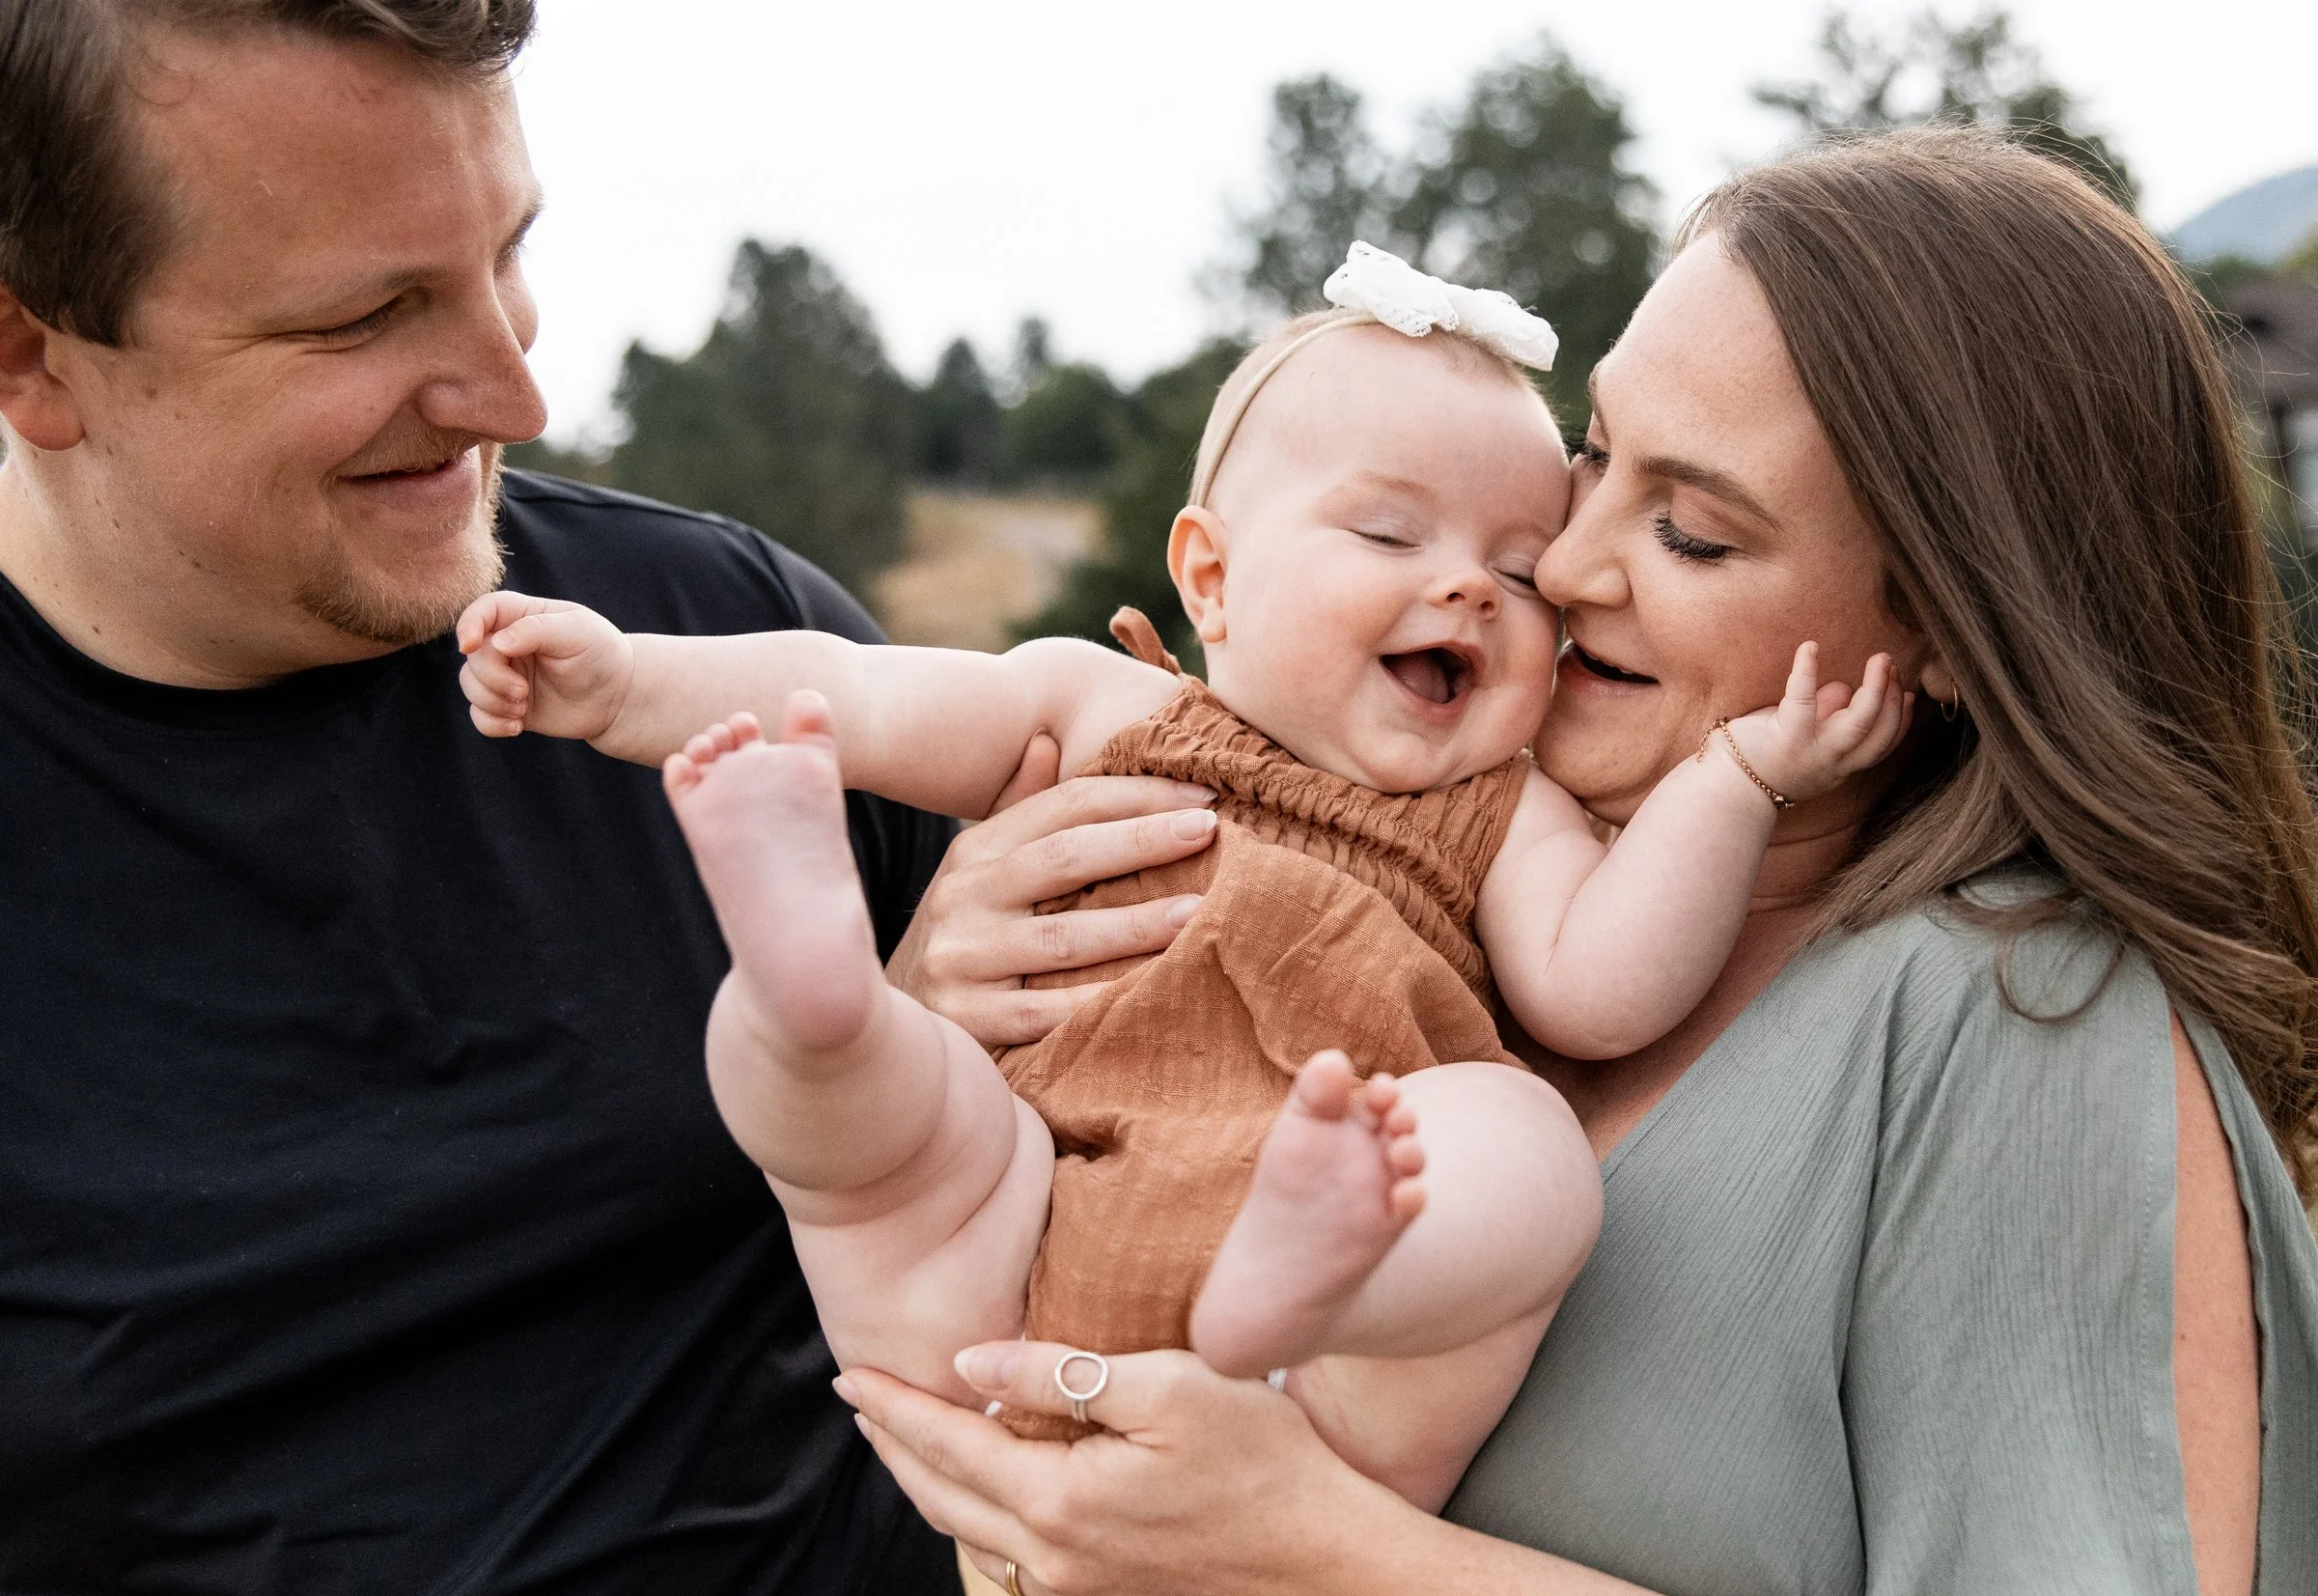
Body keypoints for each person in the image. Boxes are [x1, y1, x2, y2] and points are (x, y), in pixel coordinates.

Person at [839, 128, 2318, 1596]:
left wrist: (1333, 1558)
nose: (1564, 563)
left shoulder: (2017, 1018)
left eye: (1696, 536)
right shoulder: (1441, 893)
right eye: (1597, 459)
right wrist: (933, 1007)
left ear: (1943, 630)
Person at [449, 247, 1911, 1511]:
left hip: (1304, 1402)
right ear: (1209, 578)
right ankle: (813, 1000)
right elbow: (856, 691)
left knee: (1524, 1146)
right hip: (1004, 1260)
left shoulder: (1500, 809)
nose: (1469, 583)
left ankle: (1332, 1276)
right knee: (886, 1118)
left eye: (1522, 570)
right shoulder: (1101, 706)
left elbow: (1600, 989)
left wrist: (1736, 782)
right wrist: (629, 682)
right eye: (1391, 533)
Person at [0, 2, 982, 1596]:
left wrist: (943, 1056)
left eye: (505, 254)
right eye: (371, 314)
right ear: (34, 349)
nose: (516, 398)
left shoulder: (723, 647)